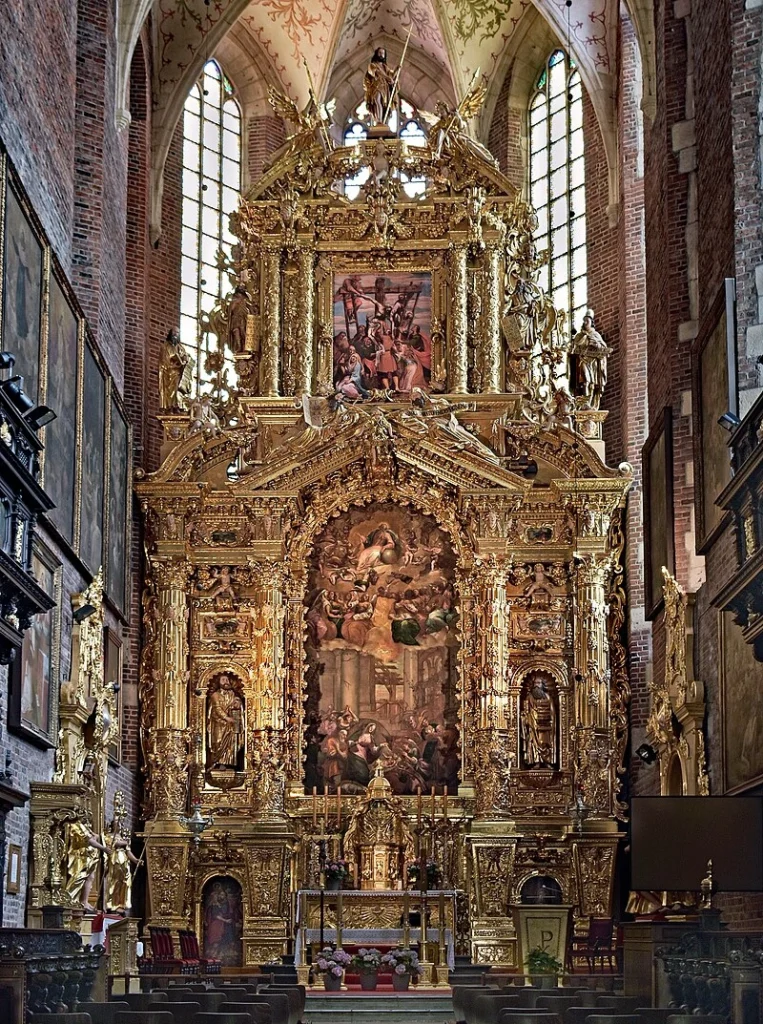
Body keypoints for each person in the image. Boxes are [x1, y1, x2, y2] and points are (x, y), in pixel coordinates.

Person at [207, 675, 244, 769]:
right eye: (223, 680)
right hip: (218, 724)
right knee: (218, 742)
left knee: (231, 744)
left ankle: (226, 763)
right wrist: (227, 718)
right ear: (219, 682)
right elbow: (217, 708)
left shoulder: (233, 695)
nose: (226, 681)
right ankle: (216, 762)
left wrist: (237, 703)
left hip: (231, 725)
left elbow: (237, 705)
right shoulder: (215, 695)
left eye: (227, 679)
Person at [158, 328, 194, 411]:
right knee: (170, 390)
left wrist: (185, 359)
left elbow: (185, 357)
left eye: (177, 332)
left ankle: (176, 405)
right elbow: (164, 360)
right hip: (168, 372)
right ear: (170, 333)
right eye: (174, 332)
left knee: (177, 388)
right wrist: (173, 363)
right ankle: (169, 407)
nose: (175, 334)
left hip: (178, 372)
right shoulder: (165, 346)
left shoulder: (180, 347)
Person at [364, 47, 396, 125]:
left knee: (384, 105)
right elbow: (376, 72)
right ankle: (378, 120)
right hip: (376, 85)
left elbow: (391, 77)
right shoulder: (372, 65)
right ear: (376, 54)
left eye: (383, 53)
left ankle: (383, 122)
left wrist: (397, 70)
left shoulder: (386, 67)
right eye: (380, 53)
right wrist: (387, 77)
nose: (381, 55)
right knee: (376, 100)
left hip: (385, 88)